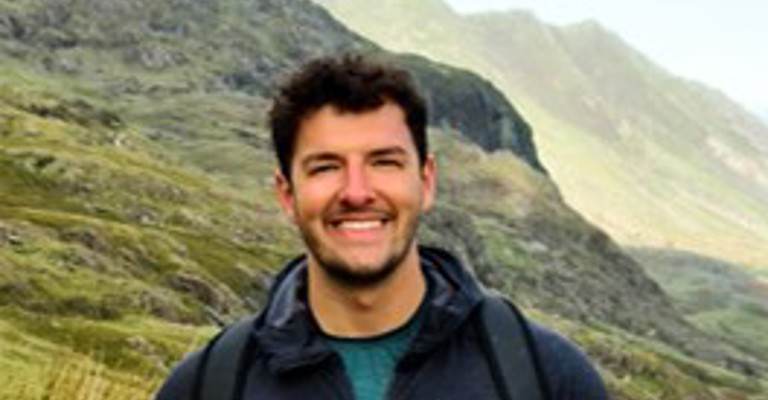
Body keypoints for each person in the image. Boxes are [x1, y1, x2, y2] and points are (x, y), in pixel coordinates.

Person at [155, 54, 608, 400]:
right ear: (287, 194)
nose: (357, 192)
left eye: (384, 162)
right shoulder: (205, 386)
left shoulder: (548, 377)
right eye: (325, 167)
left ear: (426, 181)